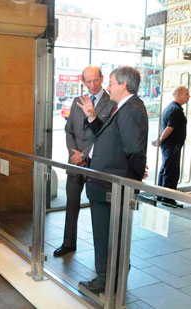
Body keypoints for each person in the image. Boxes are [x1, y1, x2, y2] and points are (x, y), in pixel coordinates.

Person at [76, 66, 148, 294]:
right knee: (108, 233)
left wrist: (131, 183)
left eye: (112, 82)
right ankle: (111, 274)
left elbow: (135, 151)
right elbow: (111, 139)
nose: (108, 86)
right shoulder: (123, 108)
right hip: (107, 185)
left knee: (106, 234)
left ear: (123, 85)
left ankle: (105, 278)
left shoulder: (132, 109)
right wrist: (91, 116)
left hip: (112, 187)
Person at [53, 66, 116, 257]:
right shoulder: (77, 102)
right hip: (75, 164)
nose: (92, 85)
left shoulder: (112, 103)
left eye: (96, 80)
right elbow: (69, 130)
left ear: (102, 78)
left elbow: (106, 135)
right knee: (71, 204)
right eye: (88, 81)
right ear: (83, 81)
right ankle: (68, 243)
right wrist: (74, 153)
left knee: (98, 210)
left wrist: (85, 155)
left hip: (96, 165)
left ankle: (103, 253)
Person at [153, 86, 189, 206]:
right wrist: (160, 139)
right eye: (187, 94)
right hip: (172, 145)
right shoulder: (176, 110)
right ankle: (168, 198)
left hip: (169, 145)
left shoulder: (170, 108)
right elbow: (169, 127)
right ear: (179, 95)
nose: (189, 96)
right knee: (171, 171)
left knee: (165, 169)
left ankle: (160, 194)